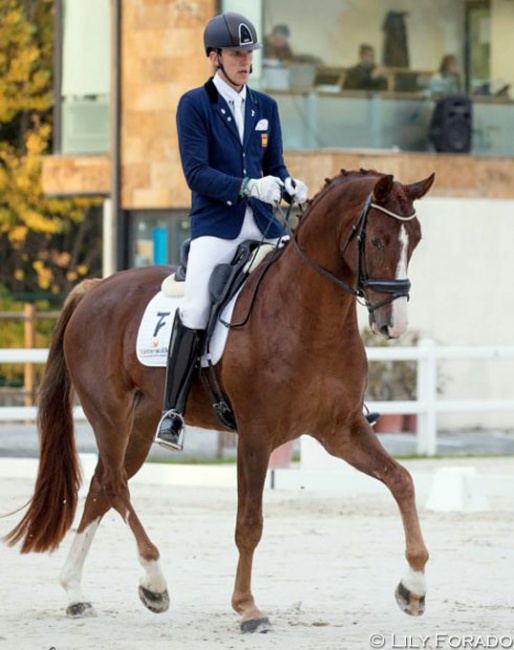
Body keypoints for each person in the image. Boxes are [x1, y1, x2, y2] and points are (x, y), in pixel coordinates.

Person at [154, 12, 309, 451]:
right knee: (198, 304)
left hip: (262, 224)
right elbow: (196, 173)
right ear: (214, 57)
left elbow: (273, 167)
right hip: (217, 227)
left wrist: (288, 185)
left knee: (306, 284)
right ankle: (173, 411)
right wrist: (245, 185)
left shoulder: (266, 107)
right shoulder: (194, 104)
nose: (245, 61)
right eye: (237, 53)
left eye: (248, 53)